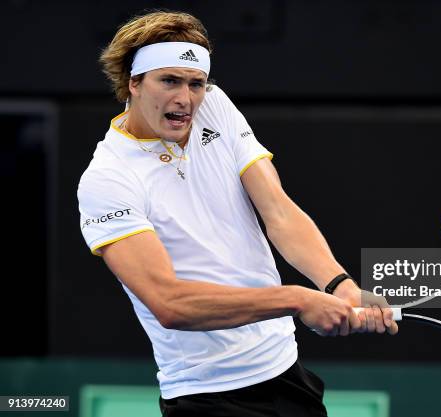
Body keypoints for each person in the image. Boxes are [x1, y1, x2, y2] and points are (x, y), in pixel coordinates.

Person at [78, 10, 398, 417]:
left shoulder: (214, 106)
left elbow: (278, 210)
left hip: (285, 374)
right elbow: (169, 303)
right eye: (169, 81)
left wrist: (339, 284)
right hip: (207, 396)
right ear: (133, 83)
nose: (186, 98)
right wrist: (297, 299)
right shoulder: (107, 179)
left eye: (196, 83)